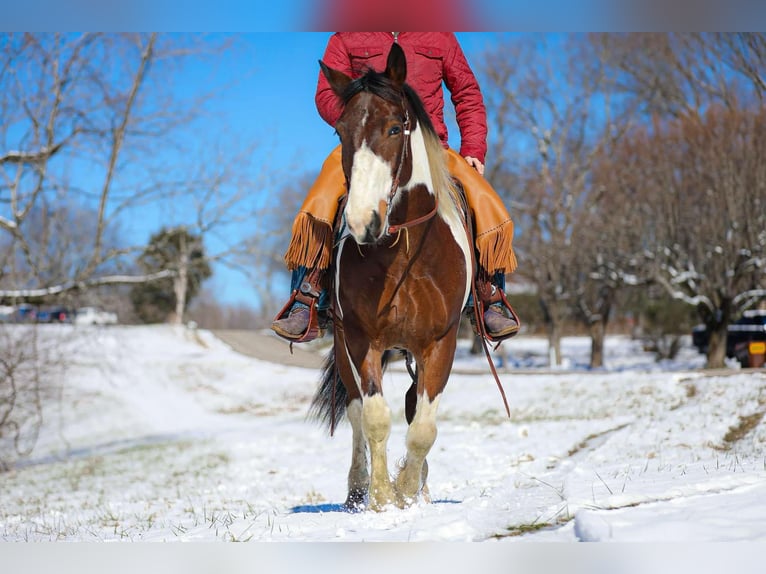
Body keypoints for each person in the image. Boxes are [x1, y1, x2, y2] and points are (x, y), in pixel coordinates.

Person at [272, 32, 519, 342]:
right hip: (366, 142)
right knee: (321, 196)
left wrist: (473, 149)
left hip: (431, 146)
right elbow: (325, 93)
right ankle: (307, 297)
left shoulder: (440, 35)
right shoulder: (346, 36)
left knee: (483, 200)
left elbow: (466, 92)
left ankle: (488, 297)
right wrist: (365, 122)